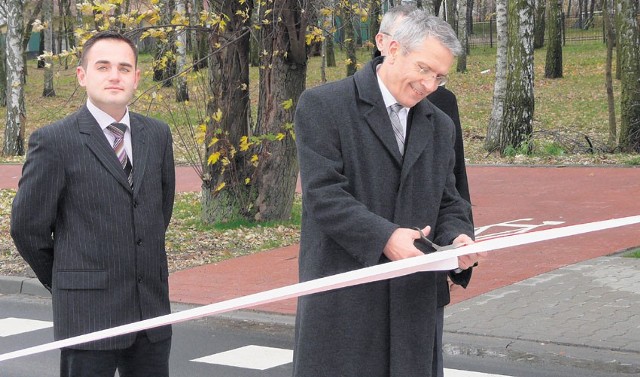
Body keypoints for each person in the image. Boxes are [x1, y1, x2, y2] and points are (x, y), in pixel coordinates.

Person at [293, 9, 479, 377]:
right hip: (346, 306)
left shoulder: (439, 125)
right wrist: (385, 238)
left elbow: (450, 199)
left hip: (414, 308)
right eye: (424, 69)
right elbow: (324, 195)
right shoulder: (323, 106)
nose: (429, 85)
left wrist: (458, 238)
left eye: (439, 77)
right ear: (392, 49)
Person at [11, 31, 175, 377]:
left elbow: (160, 210)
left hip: (151, 313)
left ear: (136, 78)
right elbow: (27, 228)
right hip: (87, 316)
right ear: (83, 75)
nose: (115, 76)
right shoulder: (54, 141)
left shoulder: (157, 134)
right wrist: (68, 279)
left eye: (124, 67)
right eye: (103, 67)